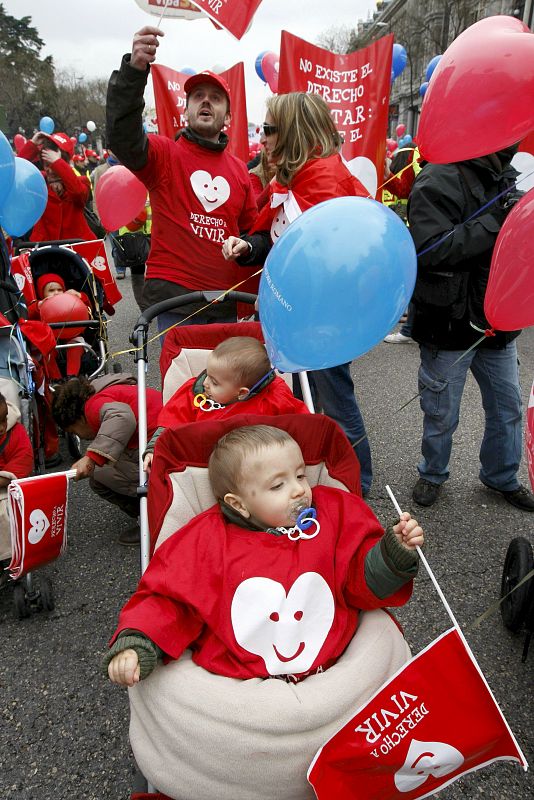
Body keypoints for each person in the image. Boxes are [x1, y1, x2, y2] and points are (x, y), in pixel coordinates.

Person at [104, 424, 423, 686]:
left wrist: (393, 554)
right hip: (240, 676)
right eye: (277, 485)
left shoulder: (333, 513)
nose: (300, 490)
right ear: (239, 504)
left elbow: (359, 579)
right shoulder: (204, 540)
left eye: (300, 475)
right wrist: (138, 643)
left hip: (335, 659)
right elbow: (168, 599)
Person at [221, 92, 373, 494]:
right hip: (291, 315)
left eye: (269, 129)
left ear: (291, 132)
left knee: (335, 399)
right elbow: (272, 237)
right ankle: (318, 473)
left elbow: (345, 259)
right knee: (305, 400)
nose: (262, 138)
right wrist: (246, 247)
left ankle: (358, 485)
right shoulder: (288, 181)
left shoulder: (327, 182)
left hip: (323, 320)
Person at [106, 26, 259, 334]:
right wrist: (135, 70)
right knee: (182, 385)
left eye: (215, 98)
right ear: (186, 110)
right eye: (198, 96)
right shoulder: (164, 154)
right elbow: (122, 137)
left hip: (225, 302)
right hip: (173, 302)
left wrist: (246, 246)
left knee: (224, 384)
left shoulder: (240, 171)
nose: (206, 102)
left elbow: (251, 233)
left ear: (227, 117)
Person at [407, 146, 534, 511]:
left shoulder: (507, 176)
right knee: (441, 410)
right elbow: (431, 248)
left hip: (497, 322)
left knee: (507, 407)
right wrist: (498, 221)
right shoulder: (438, 176)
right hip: (448, 322)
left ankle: (501, 477)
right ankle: (432, 473)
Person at [143, 336, 309, 472]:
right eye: (207, 374)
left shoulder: (274, 397)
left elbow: (302, 425)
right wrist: (153, 449)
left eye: (215, 382)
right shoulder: (196, 395)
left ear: (242, 392)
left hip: (262, 465)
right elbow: (169, 424)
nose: (206, 383)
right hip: (202, 466)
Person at [51, 374, 162, 545]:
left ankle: (153, 519)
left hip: (161, 448)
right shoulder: (102, 391)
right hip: (165, 433)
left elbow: (122, 417)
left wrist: (91, 458)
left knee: (99, 477)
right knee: (107, 465)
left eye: (74, 431)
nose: (80, 436)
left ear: (78, 419)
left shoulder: (92, 408)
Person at [18, 132, 96, 242]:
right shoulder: (39, 182)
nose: (49, 169)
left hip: (76, 248)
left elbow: (78, 194)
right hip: (45, 249)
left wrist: (57, 163)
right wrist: (32, 145)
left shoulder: (80, 181)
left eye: (52, 163)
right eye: (46, 164)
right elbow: (16, 173)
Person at [0, 391, 34, 577]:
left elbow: (22, 462)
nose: (2, 427)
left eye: (4, 419)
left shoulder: (15, 432)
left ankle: (10, 556)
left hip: (8, 487)